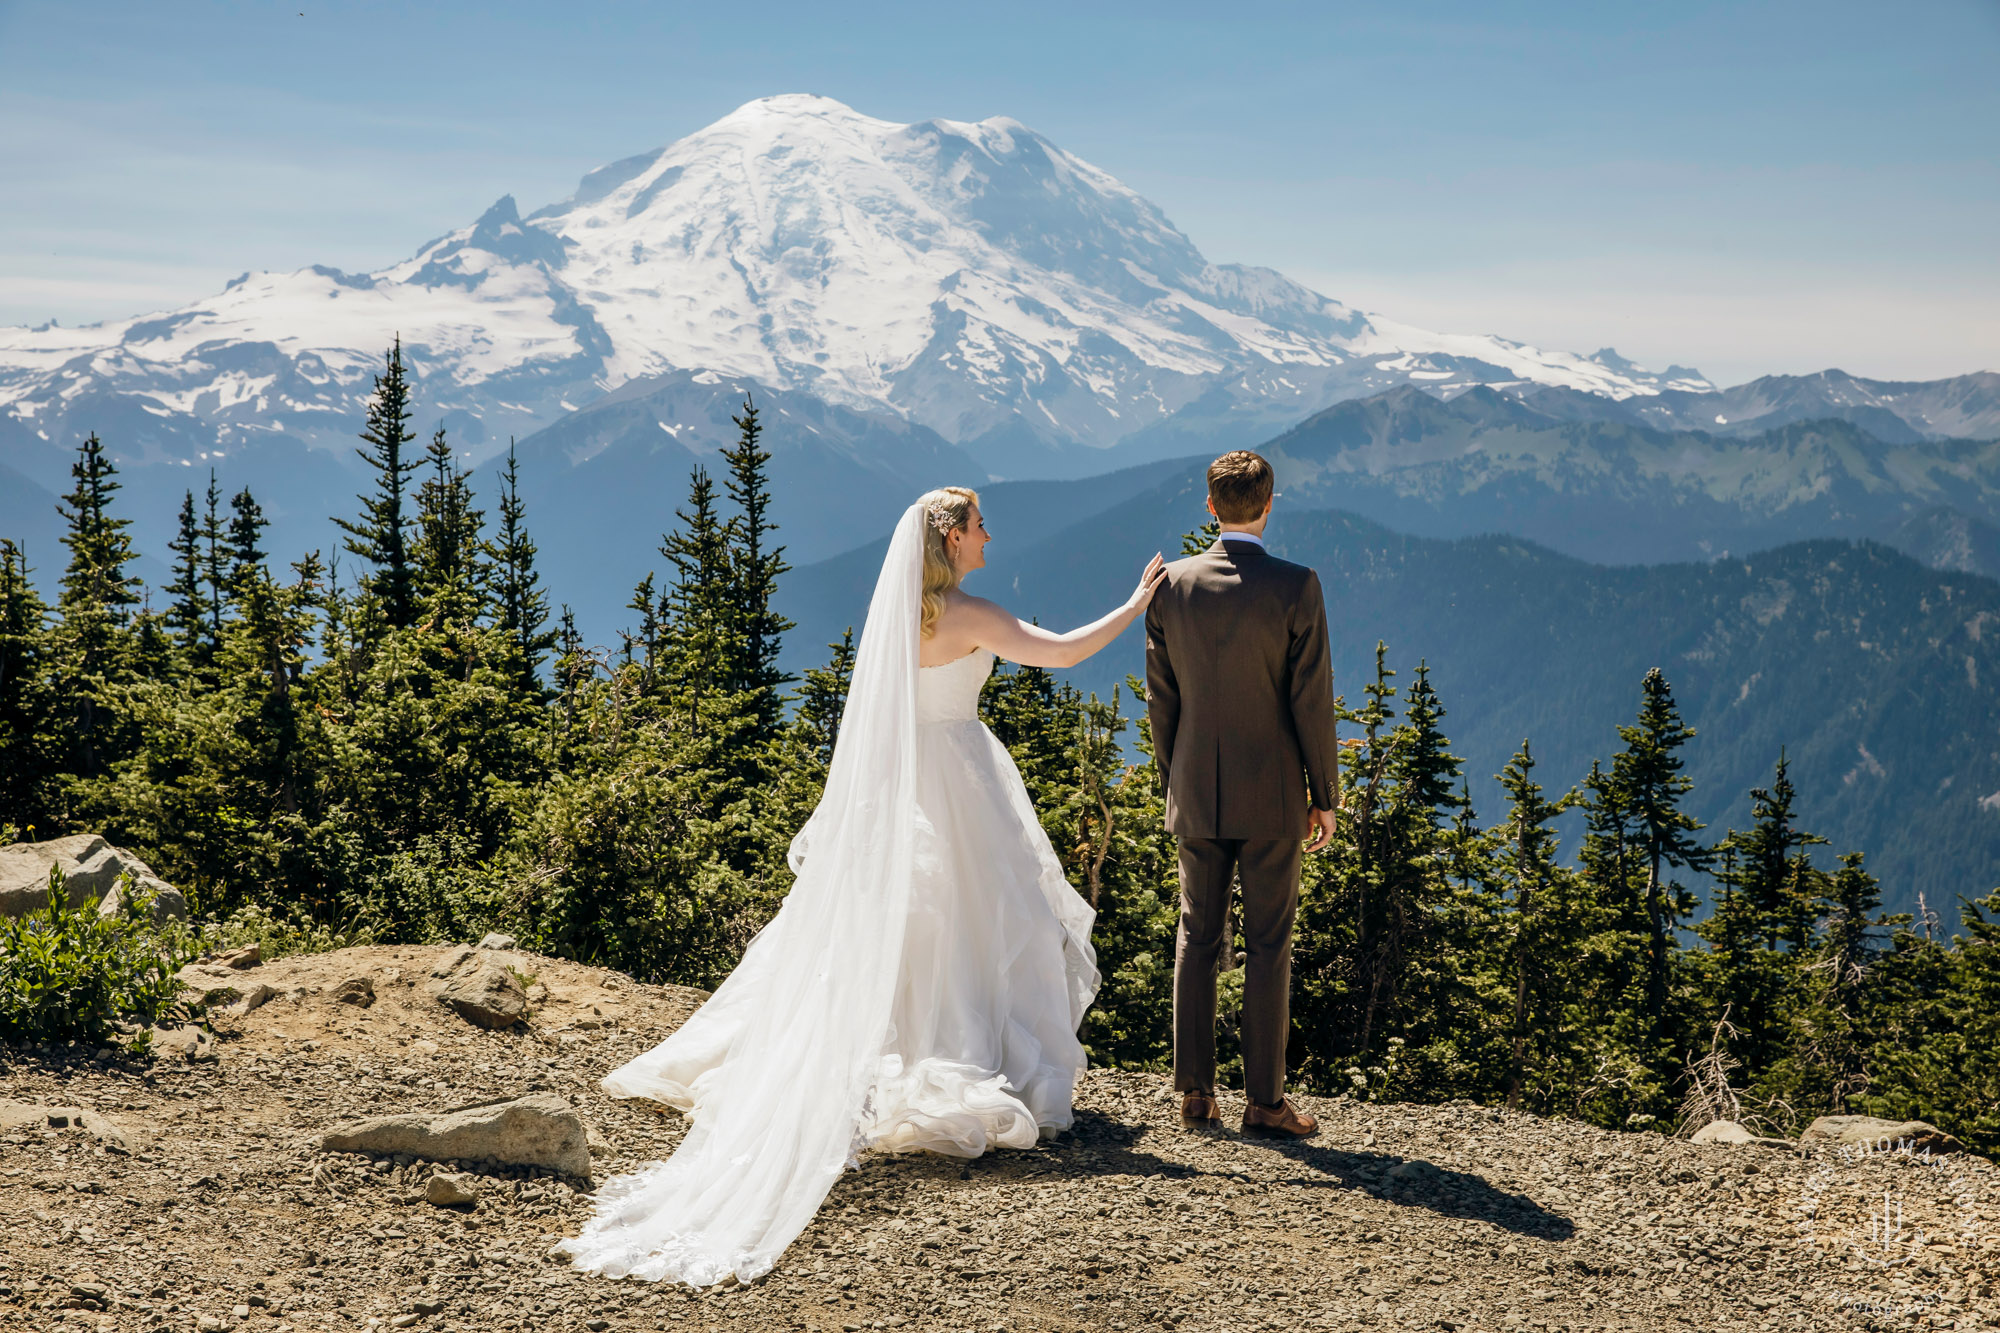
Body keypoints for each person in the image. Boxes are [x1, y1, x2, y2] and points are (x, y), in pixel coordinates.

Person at [558, 486, 1167, 1286]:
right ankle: (955, 1052)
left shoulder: (902, 621)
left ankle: (894, 1041)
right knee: (978, 922)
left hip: (901, 786)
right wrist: (1136, 601)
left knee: (907, 925)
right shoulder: (971, 614)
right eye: (979, 525)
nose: (990, 534)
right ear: (950, 537)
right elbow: (1060, 652)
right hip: (960, 781)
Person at [1144, 449, 1340, 1138]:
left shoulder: (1169, 587)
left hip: (1195, 787)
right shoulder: (1296, 586)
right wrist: (1326, 795)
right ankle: (1266, 1101)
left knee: (1197, 934)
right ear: (1269, 503)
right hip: (1275, 794)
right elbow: (1312, 702)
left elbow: (1160, 702)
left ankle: (1196, 1093)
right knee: (1268, 942)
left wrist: (1178, 779)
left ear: (1210, 507)